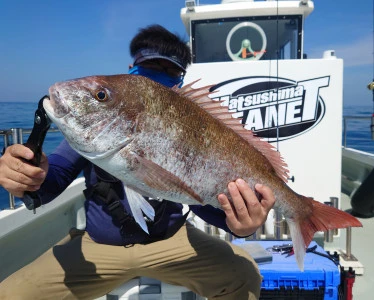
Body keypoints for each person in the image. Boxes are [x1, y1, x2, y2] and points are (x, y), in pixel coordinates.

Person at [0, 25, 275, 300]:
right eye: (150, 67)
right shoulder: (93, 129)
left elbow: (199, 198)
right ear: (131, 69)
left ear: (180, 80)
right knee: (10, 294)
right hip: (99, 244)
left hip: (171, 241)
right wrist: (26, 174)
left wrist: (239, 224)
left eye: (171, 72)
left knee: (246, 276)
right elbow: (52, 179)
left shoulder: (187, 125)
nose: (159, 77)